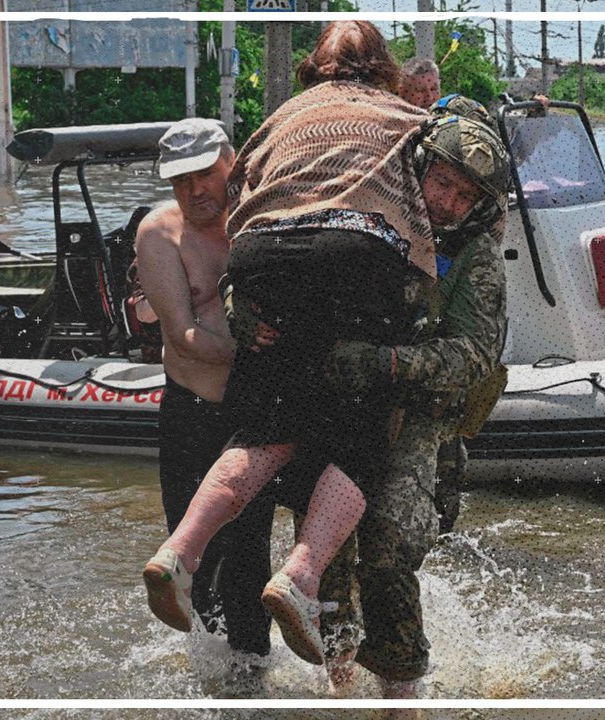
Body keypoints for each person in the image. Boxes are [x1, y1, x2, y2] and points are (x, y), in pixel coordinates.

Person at [143, 20, 436, 668]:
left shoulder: (282, 118)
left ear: (314, 70)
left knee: (262, 429)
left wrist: (247, 303)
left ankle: (179, 553)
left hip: (263, 256)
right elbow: (437, 192)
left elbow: (244, 186)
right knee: (362, 432)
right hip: (354, 250)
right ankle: (301, 576)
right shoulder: (400, 115)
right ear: (382, 69)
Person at [235, 108, 511, 708]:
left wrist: (386, 362)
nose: (448, 202)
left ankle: (401, 693)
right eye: (442, 182)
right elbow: (281, 259)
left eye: (466, 195)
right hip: (345, 404)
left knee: (386, 555)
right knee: (328, 553)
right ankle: (338, 685)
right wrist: (246, 310)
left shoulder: (476, 260)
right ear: (418, 169)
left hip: (419, 416)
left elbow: (472, 356)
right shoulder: (366, 217)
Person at [134, 117, 284, 656]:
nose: (195, 190)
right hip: (193, 413)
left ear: (232, 163)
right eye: (180, 181)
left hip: (254, 414)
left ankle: (254, 678)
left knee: (251, 555)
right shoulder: (160, 233)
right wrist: (258, 347)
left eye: (204, 174)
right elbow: (186, 335)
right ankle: (210, 674)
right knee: (195, 558)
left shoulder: (265, 220)